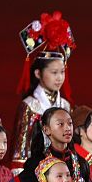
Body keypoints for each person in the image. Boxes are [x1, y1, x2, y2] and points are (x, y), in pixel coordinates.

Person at [12, 11, 75, 170]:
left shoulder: (65, 105)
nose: (59, 78)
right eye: (54, 73)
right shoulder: (30, 106)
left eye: (62, 72)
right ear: (38, 73)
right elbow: (20, 154)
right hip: (35, 174)